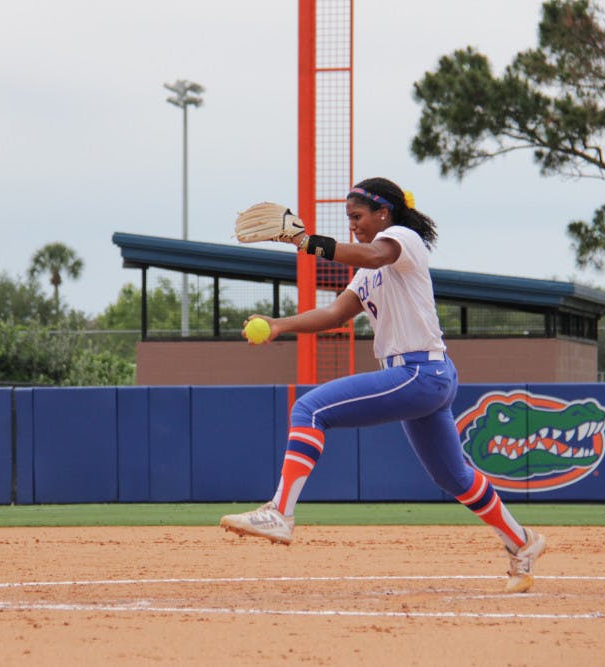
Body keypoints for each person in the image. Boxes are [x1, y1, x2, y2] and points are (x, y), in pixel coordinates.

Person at [220, 177, 546, 594]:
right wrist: (280, 325)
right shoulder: (369, 270)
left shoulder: (401, 239)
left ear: (383, 213)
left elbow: (374, 255)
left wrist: (305, 241)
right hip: (428, 376)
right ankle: (522, 542)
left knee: (310, 410)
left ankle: (280, 511)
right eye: (349, 219)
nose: (353, 225)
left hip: (418, 372)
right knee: (455, 478)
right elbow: (336, 313)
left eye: (358, 216)